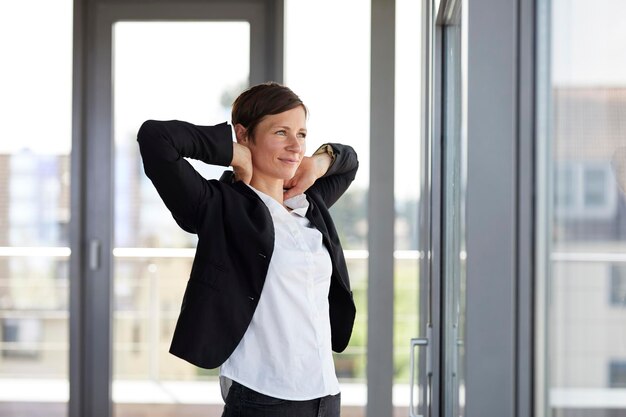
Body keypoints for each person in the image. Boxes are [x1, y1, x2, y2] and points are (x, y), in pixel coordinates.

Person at [137, 82, 358, 417]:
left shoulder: (308, 203)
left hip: (325, 394)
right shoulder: (220, 207)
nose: (294, 146)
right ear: (244, 133)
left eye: (301, 134)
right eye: (280, 132)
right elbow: (156, 138)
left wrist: (317, 163)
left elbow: (350, 161)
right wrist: (230, 152)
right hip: (263, 396)